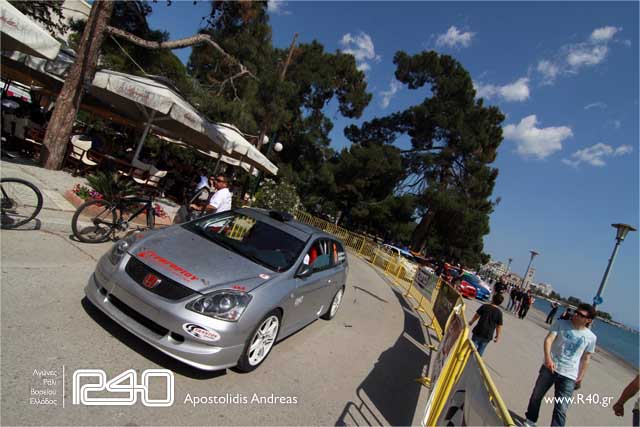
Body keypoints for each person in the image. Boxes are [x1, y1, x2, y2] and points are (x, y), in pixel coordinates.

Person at [524, 303, 597, 427]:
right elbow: (549, 340)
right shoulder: (561, 324)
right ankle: (530, 420)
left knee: (561, 407)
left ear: (588, 320)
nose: (576, 315)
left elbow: (586, 358)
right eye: (576, 312)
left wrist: (580, 377)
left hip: (569, 375)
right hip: (550, 368)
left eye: (580, 315)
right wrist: (548, 359)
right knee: (537, 395)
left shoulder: (591, 337)